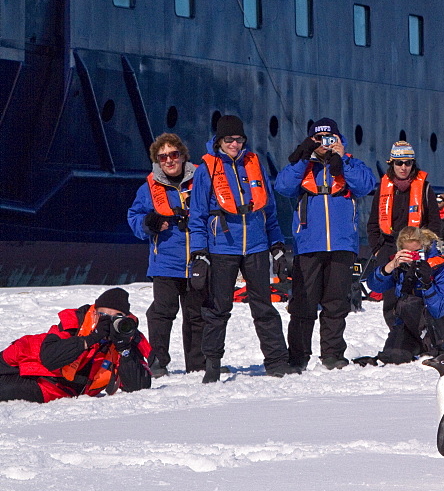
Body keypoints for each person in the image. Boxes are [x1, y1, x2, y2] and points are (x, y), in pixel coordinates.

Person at [188, 115, 298, 383]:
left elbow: (269, 210)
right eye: (229, 140)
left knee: (264, 307)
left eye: (239, 139)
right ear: (219, 141)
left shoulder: (255, 164)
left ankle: (276, 361)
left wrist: (277, 245)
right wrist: (200, 253)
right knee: (218, 308)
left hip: (257, 247)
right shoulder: (207, 169)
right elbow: (198, 215)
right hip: (223, 247)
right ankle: (212, 363)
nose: (234, 144)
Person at [275, 118, 377, 371]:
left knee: (336, 303)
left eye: (330, 138)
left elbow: (366, 186)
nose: (324, 144)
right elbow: (283, 186)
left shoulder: (351, 163)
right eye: (318, 139)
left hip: (342, 244)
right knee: (303, 303)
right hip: (308, 243)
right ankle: (298, 356)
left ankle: (332, 354)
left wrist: (342, 162)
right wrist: (302, 157)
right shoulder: (304, 166)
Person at [127, 133, 206, 377]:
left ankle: (198, 363)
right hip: (166, 262)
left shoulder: (201, 181)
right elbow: (134, 217)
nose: (169, 161)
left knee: (197, 314)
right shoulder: (149, 188)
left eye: (174, 155)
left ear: (183, 156)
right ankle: (158, 361)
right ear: (157, 161)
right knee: (162, 312)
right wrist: (148, 222)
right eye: (163, 157)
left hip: (197, 260)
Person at [0, 288, 151, 403]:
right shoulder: (75, 322)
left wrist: (124, 349)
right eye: (103, 315)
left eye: (115, 317)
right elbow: (50, 358)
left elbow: (138, 387)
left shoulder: (127, 336)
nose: (108, 321)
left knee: (7, 390)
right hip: (21, 357)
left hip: (51, 385)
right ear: (94, 313)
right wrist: (91, 338)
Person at [367, 141, 441, 326]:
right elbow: (373, 223)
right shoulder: (382, 189)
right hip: (389, 248)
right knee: (390, 296)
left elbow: (434, 222)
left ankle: (418, 331)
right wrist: (378, 250)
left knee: (415, 292)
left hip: (416, 248)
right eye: (399, 163)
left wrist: (426, 247)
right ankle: (396, 334)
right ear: (391, 163)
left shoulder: (424, 188)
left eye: (408, 163)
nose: (403, 167)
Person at [360, 227, 444, 365]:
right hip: (407, 325)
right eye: (408, 253)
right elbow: (374, 286)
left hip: (436, 325)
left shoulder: (441, 269)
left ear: (424, 247)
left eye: (417, 253)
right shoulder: (400, 267)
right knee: (394, 356)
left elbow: (440, 310)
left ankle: (430, 346)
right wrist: (390, 267)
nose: (413, 257)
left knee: (412, 304)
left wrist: (428, 284)